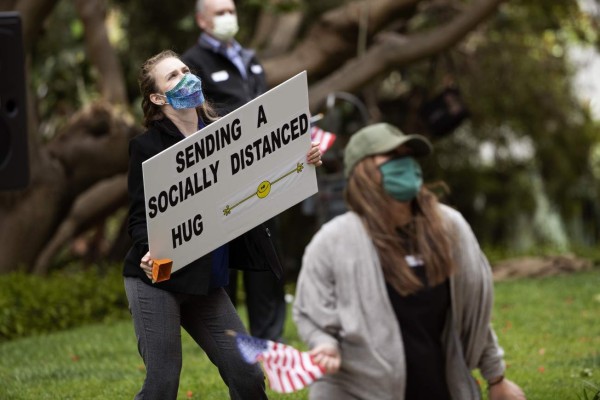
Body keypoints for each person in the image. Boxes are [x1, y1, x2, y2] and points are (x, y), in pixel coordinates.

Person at [123, 50, 322, 400]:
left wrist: (301, 160)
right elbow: (140, 217)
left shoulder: (226, 136)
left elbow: (265, 178)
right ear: (157, 98)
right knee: (162, 384)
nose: (186, 77)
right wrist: (148, 248)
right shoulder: (146, 148)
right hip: (159, 281)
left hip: (206, 281)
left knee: (247, 375)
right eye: (172, 76)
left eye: (185, 70)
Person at [293, 123, 527, 399]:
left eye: (408, 157)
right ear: (363, 173)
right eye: (392, 158)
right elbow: (310, 311)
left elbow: (470, 310)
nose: (404, 165)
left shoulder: (449, 227)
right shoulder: (332, 241)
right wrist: (325, 344)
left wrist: (496, 378)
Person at [181, 0, 287, 341]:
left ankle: (269, 344)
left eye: (231, 11)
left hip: (263, 176)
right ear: (201, 20)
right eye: (219, 13)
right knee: (227, 265)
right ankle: (230, 345)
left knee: (266, 260)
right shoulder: (192, 63)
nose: (228, 18)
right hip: (222, 181)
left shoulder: (250, 59)